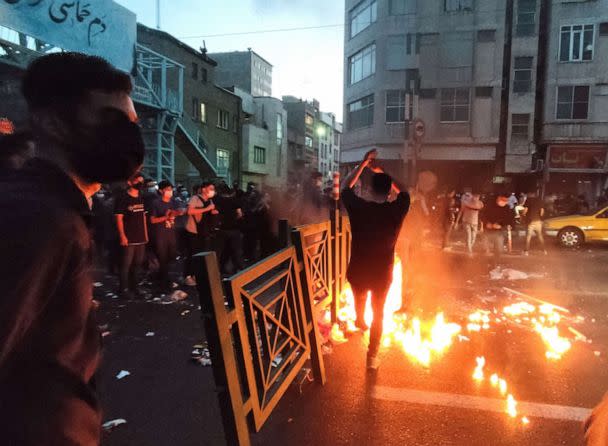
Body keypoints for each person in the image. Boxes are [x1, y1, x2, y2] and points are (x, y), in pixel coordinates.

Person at [0, 52, 143, 445]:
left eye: (132, 124)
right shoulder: (38, 218)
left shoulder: (60, 208)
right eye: (111, 121)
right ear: (51, 122)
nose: (128, 138)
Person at [342, 149, 410, 370]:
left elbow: (346, 187)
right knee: (378, 313)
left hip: (358, 270)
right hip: (382, 273)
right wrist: (382, 169)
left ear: (369, 189)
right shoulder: (395, 210)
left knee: (360, 297)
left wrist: (363, 165)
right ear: (389, 192)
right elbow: (406, 191)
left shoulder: (359, 208)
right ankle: (372, 356)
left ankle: (359, 318)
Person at [115, 172, 149, 299]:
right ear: (130, 182)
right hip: (129, 237)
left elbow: (143, 217)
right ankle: (123, 289)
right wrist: (122, 235)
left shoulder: (141, 197)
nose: (140, 183)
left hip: (140, 237)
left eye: (141, 181)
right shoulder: (123, 198)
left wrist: (145, 235)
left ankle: (135, 287)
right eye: (137, 181)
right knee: (126, 265)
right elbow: (119, 218)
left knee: (137, 264)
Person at [150, 181, 185, 292]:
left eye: (171, 189)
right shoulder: (156, 203)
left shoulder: (173, 201)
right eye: (167, 189)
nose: (170, 191)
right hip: (160, 234)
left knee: (171, 257)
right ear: (161, 191)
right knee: (163, 258)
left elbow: (181, 210)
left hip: (171, 233)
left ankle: (160, 278)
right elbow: (152, 220)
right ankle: (164, 283)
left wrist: (178, 212)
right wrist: (165, 217)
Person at [183, 182, 218, 286]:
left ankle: (196, 275)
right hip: (193, 231)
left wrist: (213, 213)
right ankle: (187, 276)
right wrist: (207, 209)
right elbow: (189, 211)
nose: (212, 191)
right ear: (203, 189)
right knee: (191, 254)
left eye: (213, 189)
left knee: (200, 255)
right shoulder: (195, 198)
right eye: (210, 188)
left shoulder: (210, 200)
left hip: (204, 232)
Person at [215, 184, 245, 275]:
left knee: (224, 250)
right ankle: (238, 268)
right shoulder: (235, 201)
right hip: (234, 228)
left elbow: (215, 213)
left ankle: (221, 268)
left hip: (222, 229)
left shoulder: (218, 201)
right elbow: (239, 214)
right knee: (236, 249)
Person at [481, 195, 515, 262]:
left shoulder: (507, 208)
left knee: (499, 249)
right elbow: (482, 216)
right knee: (485, 249)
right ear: (498, 198)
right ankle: (483, 263)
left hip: (499, 232)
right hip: (488, 231)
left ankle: (495, 262)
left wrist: (501, 225)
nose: (504, 202)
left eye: (506, 201)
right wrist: (487, 223)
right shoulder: (489, 206)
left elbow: (509, 220)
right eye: (503, 200)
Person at [457, 192, 484, 256]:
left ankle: (468, 248)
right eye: (475, 196)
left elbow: (481, 215)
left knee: (473, 238)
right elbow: (461, 211)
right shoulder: (466, 203)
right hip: (466, 221)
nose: (476, 198)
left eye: (477, 197)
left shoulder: (480, 204)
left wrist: (482, 225)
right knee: (468, 236)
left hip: (475, 223)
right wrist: (457, 221)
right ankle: (469, 251)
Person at [522, 191, 547, 256]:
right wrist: (540, 217)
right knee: (540, 236)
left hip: (530, 221)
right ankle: (544, 250)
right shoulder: (539, 200)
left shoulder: (528, 200)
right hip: (538, 221)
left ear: (530, 194)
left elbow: (525, 209)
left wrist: (523, 214)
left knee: (528, 236)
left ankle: (526, 251)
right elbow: (542, 211)